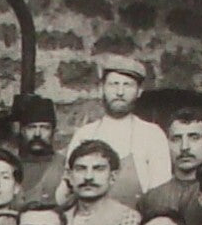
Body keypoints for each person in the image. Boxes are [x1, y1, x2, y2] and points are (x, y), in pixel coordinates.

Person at [67, 54, 170, 205]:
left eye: (127, 85)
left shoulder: (152, 134)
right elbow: (68, 189)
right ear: (102, 88)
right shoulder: (85, 133)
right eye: (114, 84)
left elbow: (160, 195)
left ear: (139, 91)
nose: (120, 92)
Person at [137, 107, 202, 225]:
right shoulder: (150, 199)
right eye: (176, 139)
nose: (184, 147)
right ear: (167, 143)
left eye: (194, 137)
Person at [64, 139, 143, 225]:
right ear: (70, 176)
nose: (88, 177)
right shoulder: (59, 217)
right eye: (81, 169)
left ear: (112, 176)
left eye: (98, 169)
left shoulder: (126, 218)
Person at [14, 92, 65, 201]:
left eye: (44, 127)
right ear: (22, 131)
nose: (37, 134)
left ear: (53, 132)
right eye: (31, 127)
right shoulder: (10, 167)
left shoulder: (64, 167)